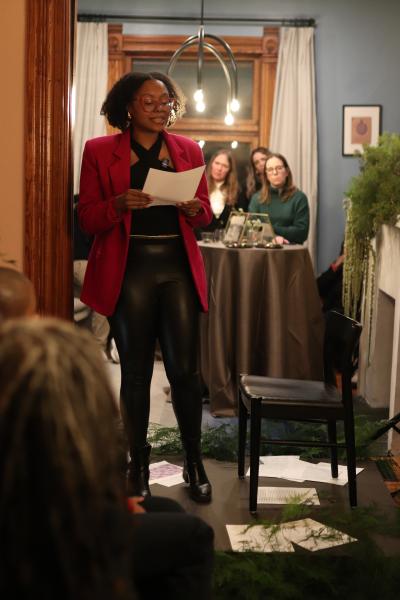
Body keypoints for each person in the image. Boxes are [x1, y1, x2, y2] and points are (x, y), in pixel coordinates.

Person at [0, 318, 214, 600]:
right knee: (193, 535)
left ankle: (182, 462)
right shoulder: (54, 440)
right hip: (46, 536)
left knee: (166, 508)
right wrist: (109, 512)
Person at [78, 71, 213, 503]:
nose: (160, 108)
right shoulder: (99, 151)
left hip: (176, 266)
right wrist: (117, 204)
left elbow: (206, 215)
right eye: (150, 101)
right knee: (134, 374)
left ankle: (194, 461)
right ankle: (137, 461)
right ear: (128, 106)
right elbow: (87, 219)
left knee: (186, 373)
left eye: (166, 102)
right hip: (128, 267)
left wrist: (194, 208)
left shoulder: (188, 150)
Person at [248, 152, 310, 244]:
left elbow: (301, 233)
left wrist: (269, 228)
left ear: (287, 172)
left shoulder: (299, 198)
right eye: (270, 169)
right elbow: (252, 230)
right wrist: (275, 238)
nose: (275, 172)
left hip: (291, 251)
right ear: (266, 175)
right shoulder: (257, 198)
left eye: (279, 168)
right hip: (262, 251)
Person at [196, 149, 239, 236]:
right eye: (217, 163)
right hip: (201, 242)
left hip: (225, 244)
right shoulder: (199, 187)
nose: (219, 168)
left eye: (225, 166)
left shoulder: (237, 192)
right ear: (211, 164)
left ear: (230, 170)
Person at [237, 146, 270, 211]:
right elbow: (242, 212)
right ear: (255, 169)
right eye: (257, 162)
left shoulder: (278, 182)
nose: (261, 163)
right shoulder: (247, 186)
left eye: (263, 159)